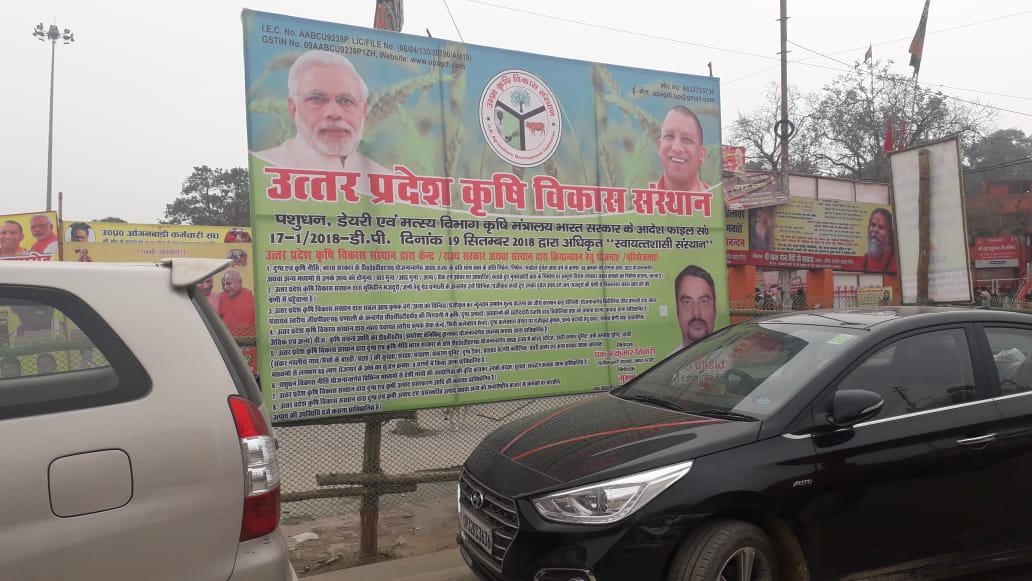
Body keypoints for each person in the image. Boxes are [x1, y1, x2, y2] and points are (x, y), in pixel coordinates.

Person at [252, 50, 389, 192]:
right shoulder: (263, 169)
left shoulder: (389, 185)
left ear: (364, 111)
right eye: (317, 99)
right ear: (293, 108)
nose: (334, 113)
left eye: (346, 101)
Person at [655, 105, 710, 192]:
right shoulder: (638, 199)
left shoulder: (715, 198)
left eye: (687, 140)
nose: (676, 148)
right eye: (669, 137)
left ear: (701, 154)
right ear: (659, 146)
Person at [674, 265, 717, 349]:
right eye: (687, 302)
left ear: (715, 308)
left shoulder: (732, 356)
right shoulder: (671, 358)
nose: (696, 313)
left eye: (704, 301)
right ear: (677, 310)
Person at [862, 208, 897, 273]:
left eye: (881, 227)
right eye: (873, 225)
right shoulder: (862, 260)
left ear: (889, 234)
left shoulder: (896, 261)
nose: (875, 230)